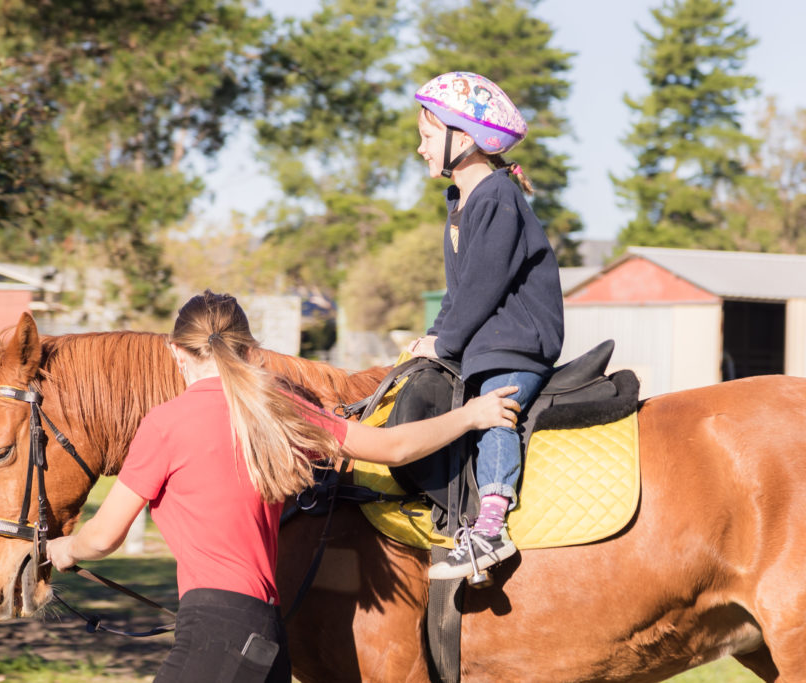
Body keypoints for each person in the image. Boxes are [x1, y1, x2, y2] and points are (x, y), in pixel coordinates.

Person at [47, 290, 520, 683]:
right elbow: (393, 447)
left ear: (175, 350)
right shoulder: (277, 409)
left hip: (215, 632)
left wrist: (65, 549)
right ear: (247, 348)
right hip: (270, 635)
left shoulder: (164, 423)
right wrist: (471, 415)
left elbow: (104, 537)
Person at [408, 71, 564, 581]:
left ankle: (493, 525)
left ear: (465, 138)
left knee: (496, 409)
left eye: (428, 137)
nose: (419, 148)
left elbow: (483, 287)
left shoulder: (497, 196)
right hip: (483, 344)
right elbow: (458, 296)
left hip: (514, 347)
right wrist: (431, 341)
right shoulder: (460, 204)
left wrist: (446, 342)